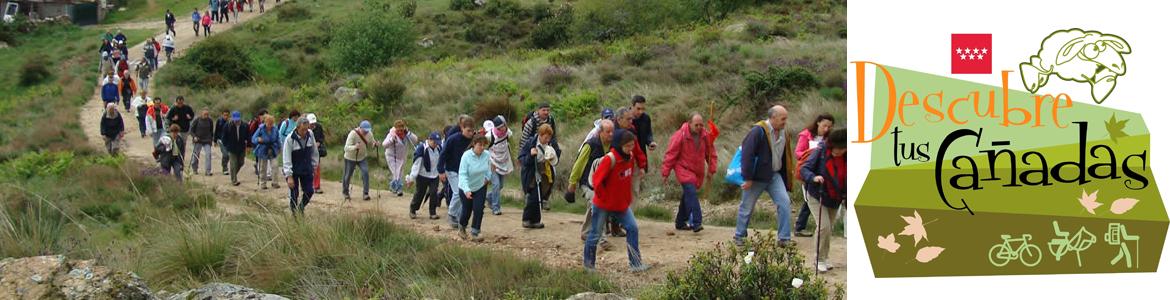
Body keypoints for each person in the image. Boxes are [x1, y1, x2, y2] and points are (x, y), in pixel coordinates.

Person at [583, 130, 649, 273]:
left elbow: (626, 180)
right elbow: (596, 180)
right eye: (627, 146)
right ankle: (588, 266)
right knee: (595, 233)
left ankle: (635, 264)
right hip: (603, 204)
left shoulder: (630, 157)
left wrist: (627, 198)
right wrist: (604, 197)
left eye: (632, 145)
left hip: (621, 204)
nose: (630, 148)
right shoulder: (610, 159)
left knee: (632, 228)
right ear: (620, 145)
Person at [733, 105, 797, 247]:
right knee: (747, 206)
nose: (785, 121)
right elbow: (747, 154)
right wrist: (748, 178)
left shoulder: (783, 133)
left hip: (774, 175)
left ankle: (784, 238)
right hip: (756, 177)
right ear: (773, 117)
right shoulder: (758, 131)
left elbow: (785, 157)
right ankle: (739, 236)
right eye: (783, 118)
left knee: (784, 203)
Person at [799, 129, 846, 273]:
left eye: (842, 149)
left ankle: (825, 257)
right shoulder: (820, 151)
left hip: (835, 197)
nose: (838, 151)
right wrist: (813, 177)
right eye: (836, 148)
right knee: (823, 226)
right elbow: (804, 169)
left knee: (828, 228)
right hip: (816, 194)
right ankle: (818, 259)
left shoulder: (848, 156)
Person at [661, 113, 718, 233]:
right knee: (691, 192)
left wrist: (711, 169)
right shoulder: (680, 135)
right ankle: (697, 222)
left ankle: (680, 221)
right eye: (696, 125)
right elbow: (671, 154)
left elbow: (711, 153)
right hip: (682, 168)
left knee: (687, 195)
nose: (699, 127)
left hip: (697, 171)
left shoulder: (705, 136)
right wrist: (665, 172)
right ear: (689, 123)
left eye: (701, 125)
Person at [567, 119, 615, 242]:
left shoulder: (614, 146)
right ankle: (601, 237)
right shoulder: (590, 144)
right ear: (600, 132)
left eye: (612, 132)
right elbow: (579, 163)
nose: (611, 134)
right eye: (608, 132)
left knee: (593, 205)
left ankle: (586, 232)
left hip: (602, 183)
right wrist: (572, 183)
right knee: (597, 203)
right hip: (587, 182)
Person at [794, 113, 835, 237]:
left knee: (813, 199)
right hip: (809, 170)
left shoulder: (829, 138)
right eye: (824, 126)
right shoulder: (806, 135)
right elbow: (798, 153)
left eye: (829, 127)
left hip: (823, 172)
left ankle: (802, 226)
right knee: (809, 199)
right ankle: (800, 226)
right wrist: (813, 152)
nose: (826, 129)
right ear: (818, 123)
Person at [519, 124, 558, 228]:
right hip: (532, 173)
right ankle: (527, 219)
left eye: (549, 137)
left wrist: (553, 157)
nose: (547, 139)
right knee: (534, 196)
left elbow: (556, 156)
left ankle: (535, 220)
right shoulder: (530, 143)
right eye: (546, 137)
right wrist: (531, 155)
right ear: (540, 135)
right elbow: (522, 159)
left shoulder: (551, 144)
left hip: (545, 173)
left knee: (539, 194)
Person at [439, 118, 475, 228]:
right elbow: (443, 154)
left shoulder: (474, 140)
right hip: (451, 170)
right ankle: (451, 214)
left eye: (472, 131)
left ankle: (459, 216)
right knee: (458, 192)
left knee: (464, 194)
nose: (470, 133)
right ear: (462, 128)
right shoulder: (453, 139)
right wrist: (441, 171)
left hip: (464, 172)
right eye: (468, 130)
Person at [457, 135, 492, 242]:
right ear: (474, 144)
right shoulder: (466, 156)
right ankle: (462, 227)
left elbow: (489, 168)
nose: (482, 147)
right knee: (467, 210)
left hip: (480, 186)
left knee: (479, 209)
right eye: (479, 145)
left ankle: (475, 232)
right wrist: (466, 190)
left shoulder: (487, 155)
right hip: (466, 187)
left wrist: (487, 177)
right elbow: (462, 175)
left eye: (484, 145)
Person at [283, 117, 320, 216]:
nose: (305, 132)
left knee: (309, 191)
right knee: (294, 194)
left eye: (306, 129)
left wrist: (315, 166)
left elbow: (314, 151)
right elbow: (286, 158)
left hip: (307, 168)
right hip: (294, 170)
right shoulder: (290, 139)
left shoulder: (310, 134)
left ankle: (301, 208)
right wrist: (289, 175)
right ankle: (294, 215)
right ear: (297, 128)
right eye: (303, 129)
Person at [483, 116, 515, 215]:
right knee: (496, 184)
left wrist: (514, 158)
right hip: (492, 162)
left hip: (503, 161)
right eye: (500, 127)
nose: (503, 129)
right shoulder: (489, 136)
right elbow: (483, 150)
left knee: (500, 185)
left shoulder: (508, 133)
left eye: (504, 126)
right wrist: (487, 162)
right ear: (496, 127)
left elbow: (512, 145)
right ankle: (496, 207)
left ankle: (488, 197)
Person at [407, 132, 442, 219]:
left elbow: (441, 161)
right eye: (434, 142)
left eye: (437, 143)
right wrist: (411, 178)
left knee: (434, 193)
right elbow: (416, 165)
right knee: (420, 193)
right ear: (429, 140)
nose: (436, 144)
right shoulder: (421, 149)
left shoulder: (439, 148)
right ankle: (413, 209)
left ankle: (432, 212)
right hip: (422, 175)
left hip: (434, 175)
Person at [382, 119, 418, 197]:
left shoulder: (406, 134)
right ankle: (399, 189)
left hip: (402, 157)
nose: (400, 132)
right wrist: (392, 140)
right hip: (391, 156)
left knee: (400, 173)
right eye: (398, 130)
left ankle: (393, 187)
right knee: (396, 172)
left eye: (401, 130)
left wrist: (409, 133)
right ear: (395, 129)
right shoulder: (391, 134)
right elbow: (384, 145)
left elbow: (415, 140)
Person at [343, 120, 376, 201]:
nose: (366, 132)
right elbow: (346, 148)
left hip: (362, 157)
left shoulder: (369, 134)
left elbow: (371, 143)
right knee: (347, 175)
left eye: (367, 130)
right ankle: (345, 192)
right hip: (350, 158)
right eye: (364, 130)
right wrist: (354, 147)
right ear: (360, 128)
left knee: (365, 172)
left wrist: (375, 144)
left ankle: (366, 193)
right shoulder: (353, 134)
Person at [221, 111, 250, 186]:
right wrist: (227, 146)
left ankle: (233, 174)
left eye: (238, 119)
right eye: (235, 119)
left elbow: (248, 136)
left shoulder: (245, 125)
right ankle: (234, 180)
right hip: (232, 148)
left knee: (241, 162)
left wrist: (249, 146)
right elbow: (224, 138)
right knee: (233, 163)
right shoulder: (227, 125)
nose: (236, 121)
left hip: (241, 147)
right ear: (232, 118)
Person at [252, 115, 281, 189]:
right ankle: (263, 183)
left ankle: (275, 183)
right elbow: (253, 138)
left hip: (273, 149)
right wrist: (258, 140)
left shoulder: (275, 129)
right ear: (265, 122)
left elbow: (278, 139)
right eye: (269, 123)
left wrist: (279, 147)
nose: (270, 125)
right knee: (263, 167)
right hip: (263, 149)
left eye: (271, 123)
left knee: (275, 166)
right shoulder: (261, 129)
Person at [167, 96, 195, 161]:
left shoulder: (187, 108)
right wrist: (173, 119)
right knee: (176, 142)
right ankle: (175, 157)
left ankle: (182, 157)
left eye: (181, 103)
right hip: (176, 130)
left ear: (183, 102)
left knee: (183, 144)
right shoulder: (173, 109)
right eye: (178, 103)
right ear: (176, 102)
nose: (180, 104)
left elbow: (192, 115)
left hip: (185, 129)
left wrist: (189, 117)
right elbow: (168, 118)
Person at [189, 110, 216, 176]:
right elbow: (191, 130)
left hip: (207, 140)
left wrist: (211, 138)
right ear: (201, 114)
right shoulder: (197, 120)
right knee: (195, 155)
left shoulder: (210, 121)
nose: (206, 116)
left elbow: (211, 130)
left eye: (207, 114)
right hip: (198, 140)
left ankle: (208, 171)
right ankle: (194, 169)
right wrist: (194, 137)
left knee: (208, 154)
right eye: (205, 114)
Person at [306, 113, 326, 194]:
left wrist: (319, 142)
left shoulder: (319, 127)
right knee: (307, 169)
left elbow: (322, 137)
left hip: (316, 151)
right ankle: (308, 185)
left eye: (313, 123)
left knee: (316, 167)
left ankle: (317, 186)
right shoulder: (304, 128)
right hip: (306, 150)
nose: (312, 125)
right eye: (311, 123)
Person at [215, 110, 231, 175]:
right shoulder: (219, 121)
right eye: (224, 115)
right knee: (225, 154)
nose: (226, 116)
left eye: (227, 115)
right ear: (222, 115)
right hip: (220, 140)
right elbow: (216, 131)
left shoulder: (230, 122)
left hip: (228, 141)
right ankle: (225, 168)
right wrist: (215, 140)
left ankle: (224, 165)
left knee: (228, 155)